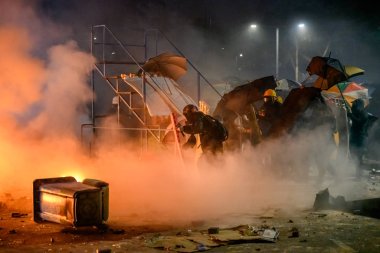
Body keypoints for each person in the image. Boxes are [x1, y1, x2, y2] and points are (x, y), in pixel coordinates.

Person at [347, 99, 370, 177]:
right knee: (353, 154)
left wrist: (351, 115)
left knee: (359, 156)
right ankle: (357, 172)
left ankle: (359, 174)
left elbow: (359, 122)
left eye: (354, 104)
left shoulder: (364, 113)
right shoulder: (356, 113)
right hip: (354, 137)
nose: (353, 106)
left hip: (360, 138)